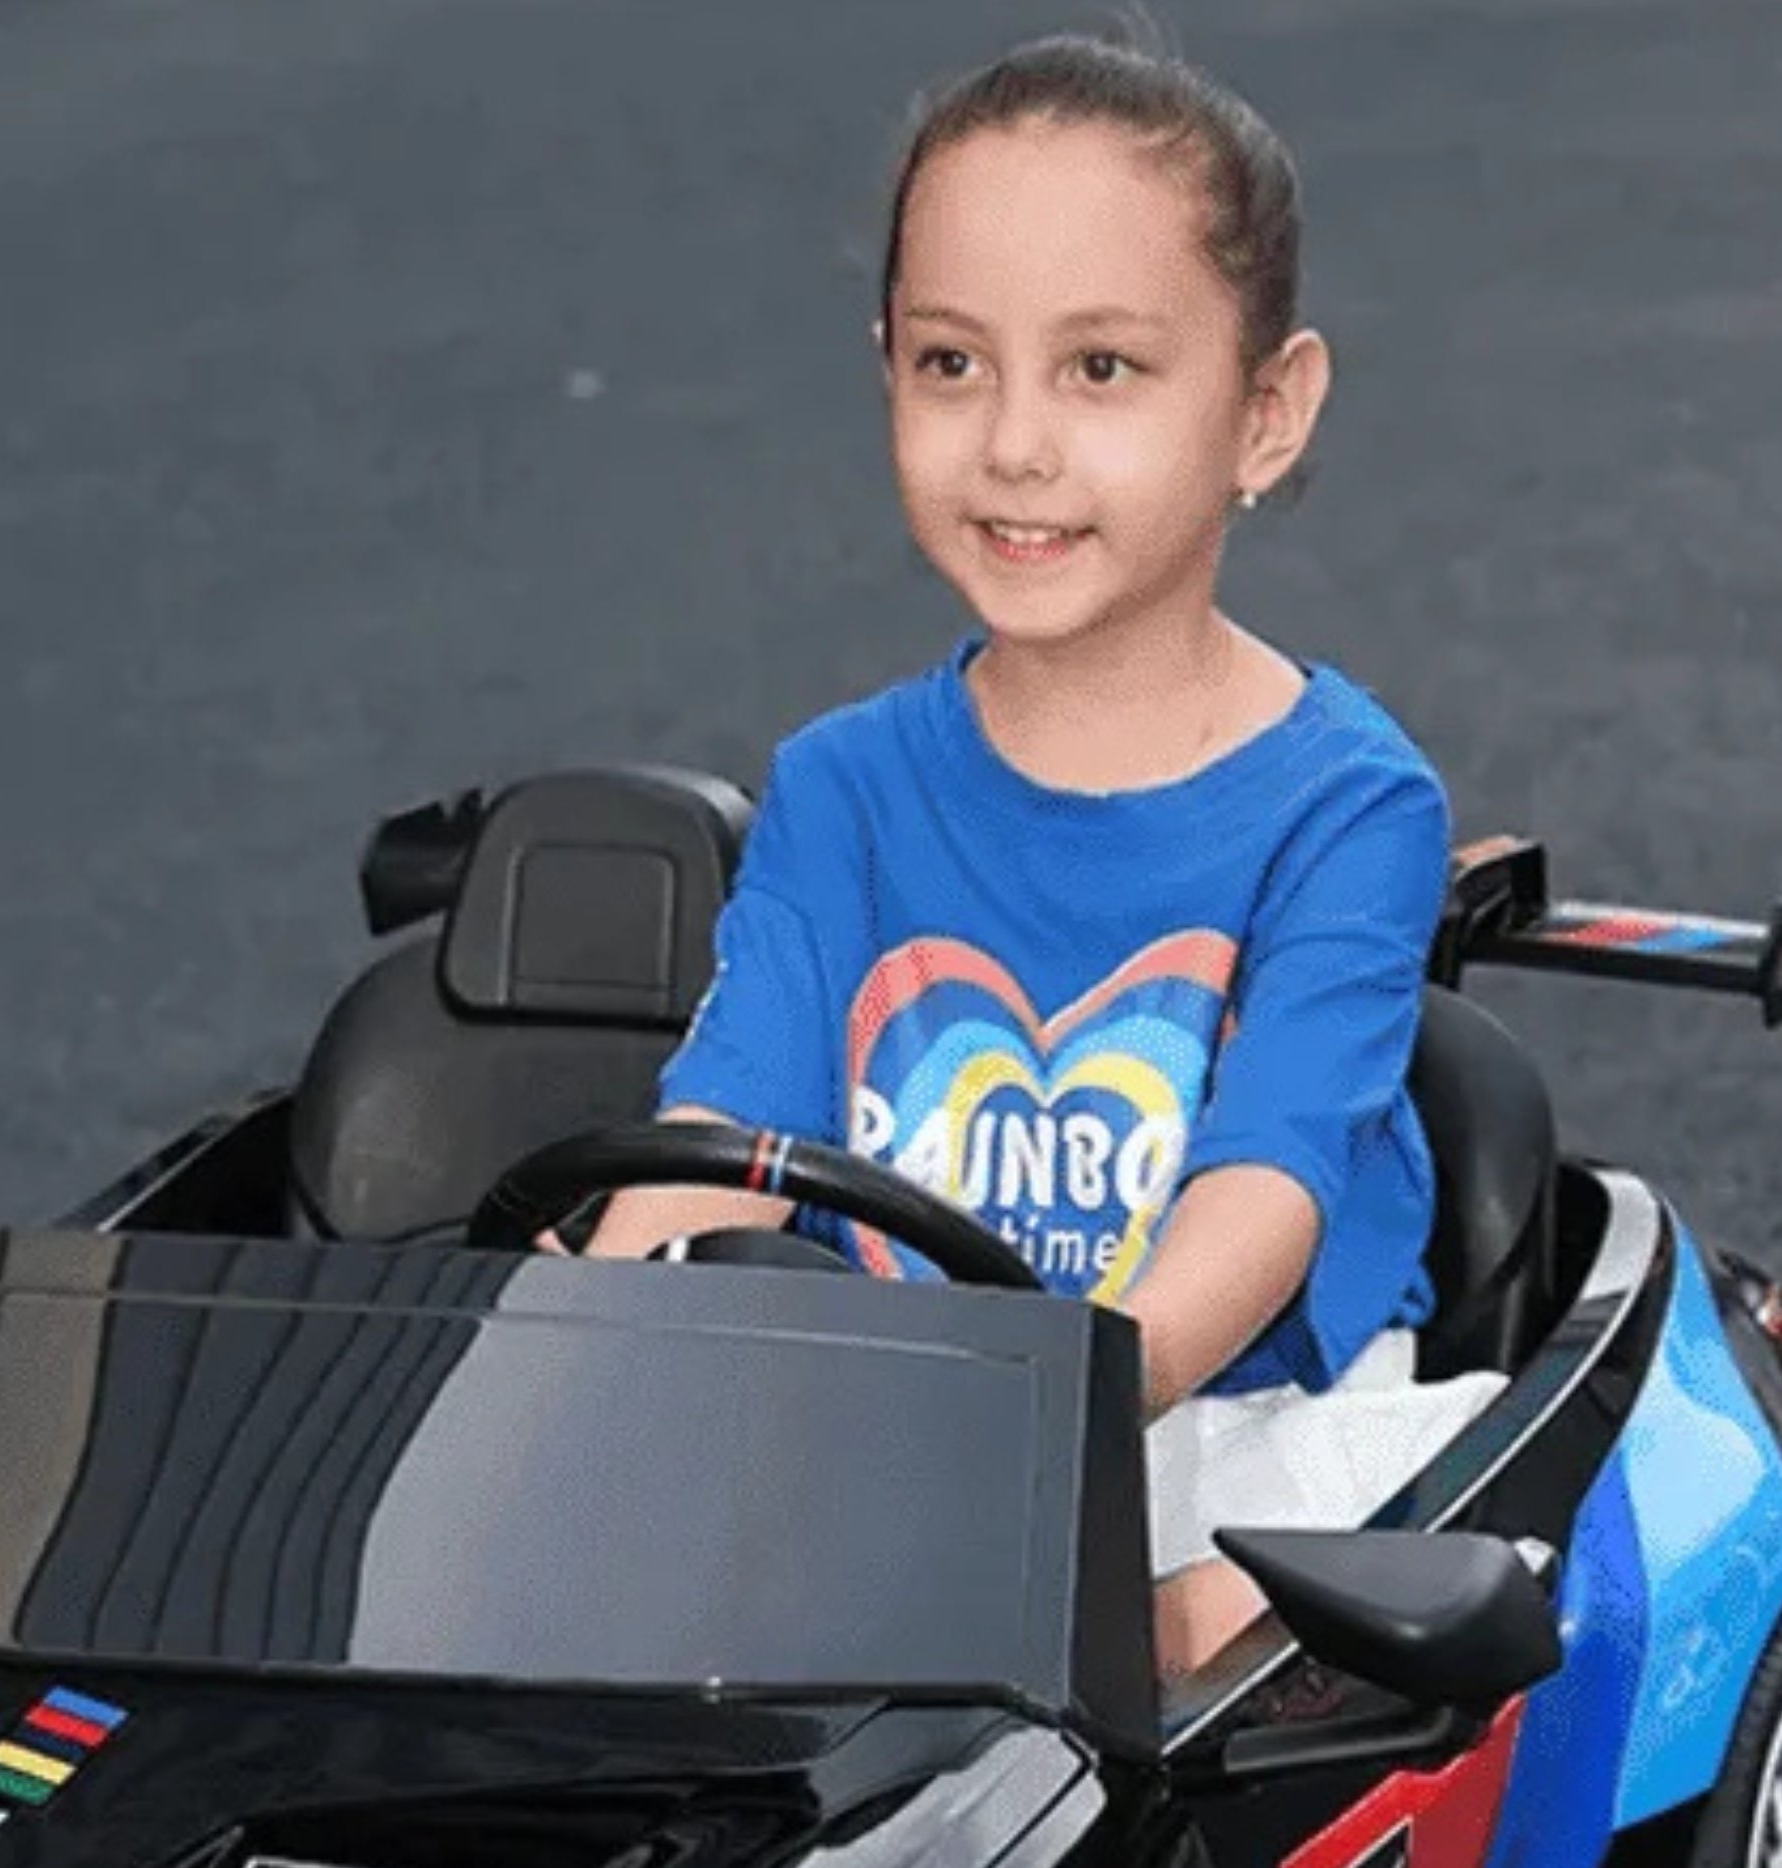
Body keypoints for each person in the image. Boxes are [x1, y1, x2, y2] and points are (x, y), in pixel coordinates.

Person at [576, 29, 1502, 1681]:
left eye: (1101, 371)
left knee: (1257, 1619)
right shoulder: (843, 786)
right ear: (887, 369)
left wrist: (1049, 1397)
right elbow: (723, 1128)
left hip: (1214, 1422)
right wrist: (621, 1320)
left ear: (1265, 414)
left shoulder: (1348, 805)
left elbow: (1265, 1192)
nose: (1012, 444)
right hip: (878, 1436)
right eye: (951, 364)